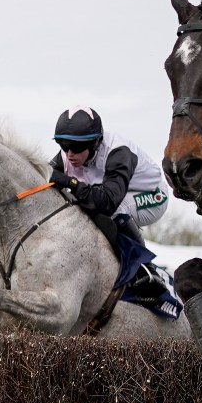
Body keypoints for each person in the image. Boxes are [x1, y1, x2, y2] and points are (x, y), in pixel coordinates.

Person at [49, 105, 170, 285]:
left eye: (76, 147)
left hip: (152, 196)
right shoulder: (67, 155)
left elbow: (107, 203)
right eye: (63, 145)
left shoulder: (118, 152)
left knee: (108, 210)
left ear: (96, 141)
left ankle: (145, 270)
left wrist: (71, 183)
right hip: (115, 192)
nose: (69, 153)